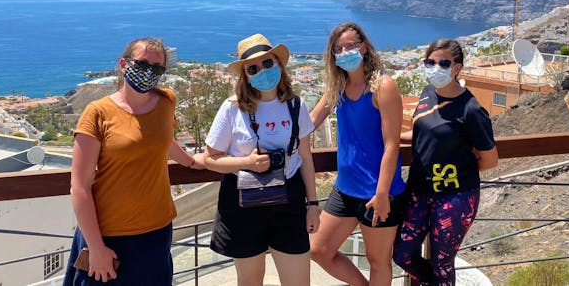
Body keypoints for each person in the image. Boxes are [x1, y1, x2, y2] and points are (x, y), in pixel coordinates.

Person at [64, 37, 205, 285]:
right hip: (108, 236)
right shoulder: (97, 112)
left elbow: (163, 139)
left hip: (156, 231)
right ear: (123, 64)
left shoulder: (166, 101)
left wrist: (191, 162)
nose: (149, 72)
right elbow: (80, 186)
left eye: (157, 68)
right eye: (141, 64)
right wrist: (96, 248)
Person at [203, 34, 320, 286]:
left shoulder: (295, 105)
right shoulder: (232, 108)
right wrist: (246, 163)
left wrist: (312, 204)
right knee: (249, 281)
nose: (262, 71)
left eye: (267, 63)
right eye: (253, 68)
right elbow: (209, 159)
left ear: (279, 64)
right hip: (243, 200)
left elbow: (306, 157)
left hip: (289, 199)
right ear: (245, 75)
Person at [393, 38, 499, 286]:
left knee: (443, 264)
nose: (435, 67)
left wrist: (458, 174)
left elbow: (490, 159)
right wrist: (392, 137)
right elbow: (423, 132)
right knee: (402, 253)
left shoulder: (470, 109)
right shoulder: (427, 94)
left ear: (457, 68)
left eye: (443, 63)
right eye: (430, 62)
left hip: (456, 197)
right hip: (419, 191)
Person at [309, 22, 406, 286]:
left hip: (377, 192)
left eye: (350, 46)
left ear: (363, 47)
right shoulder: (338, 87)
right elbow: (309, 122)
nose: (345, 52)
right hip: (345, 189)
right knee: (319, 249)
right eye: (338, 49)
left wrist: (383, 193)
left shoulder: (382, 86)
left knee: (378, 261)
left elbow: (391, 145)